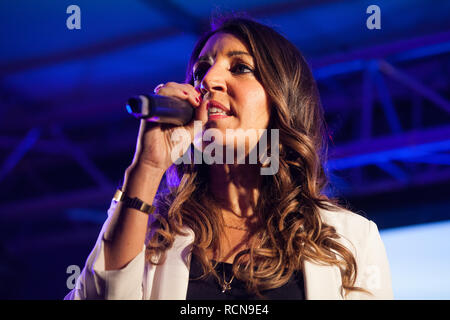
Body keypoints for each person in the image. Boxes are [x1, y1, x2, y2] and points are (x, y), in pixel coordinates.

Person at [65, 15, 393, 300]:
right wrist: (147, 169)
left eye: (240, 67)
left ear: (283, 100)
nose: (209, 81)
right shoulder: (150, 234)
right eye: (201, 71)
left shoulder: (351, 239)